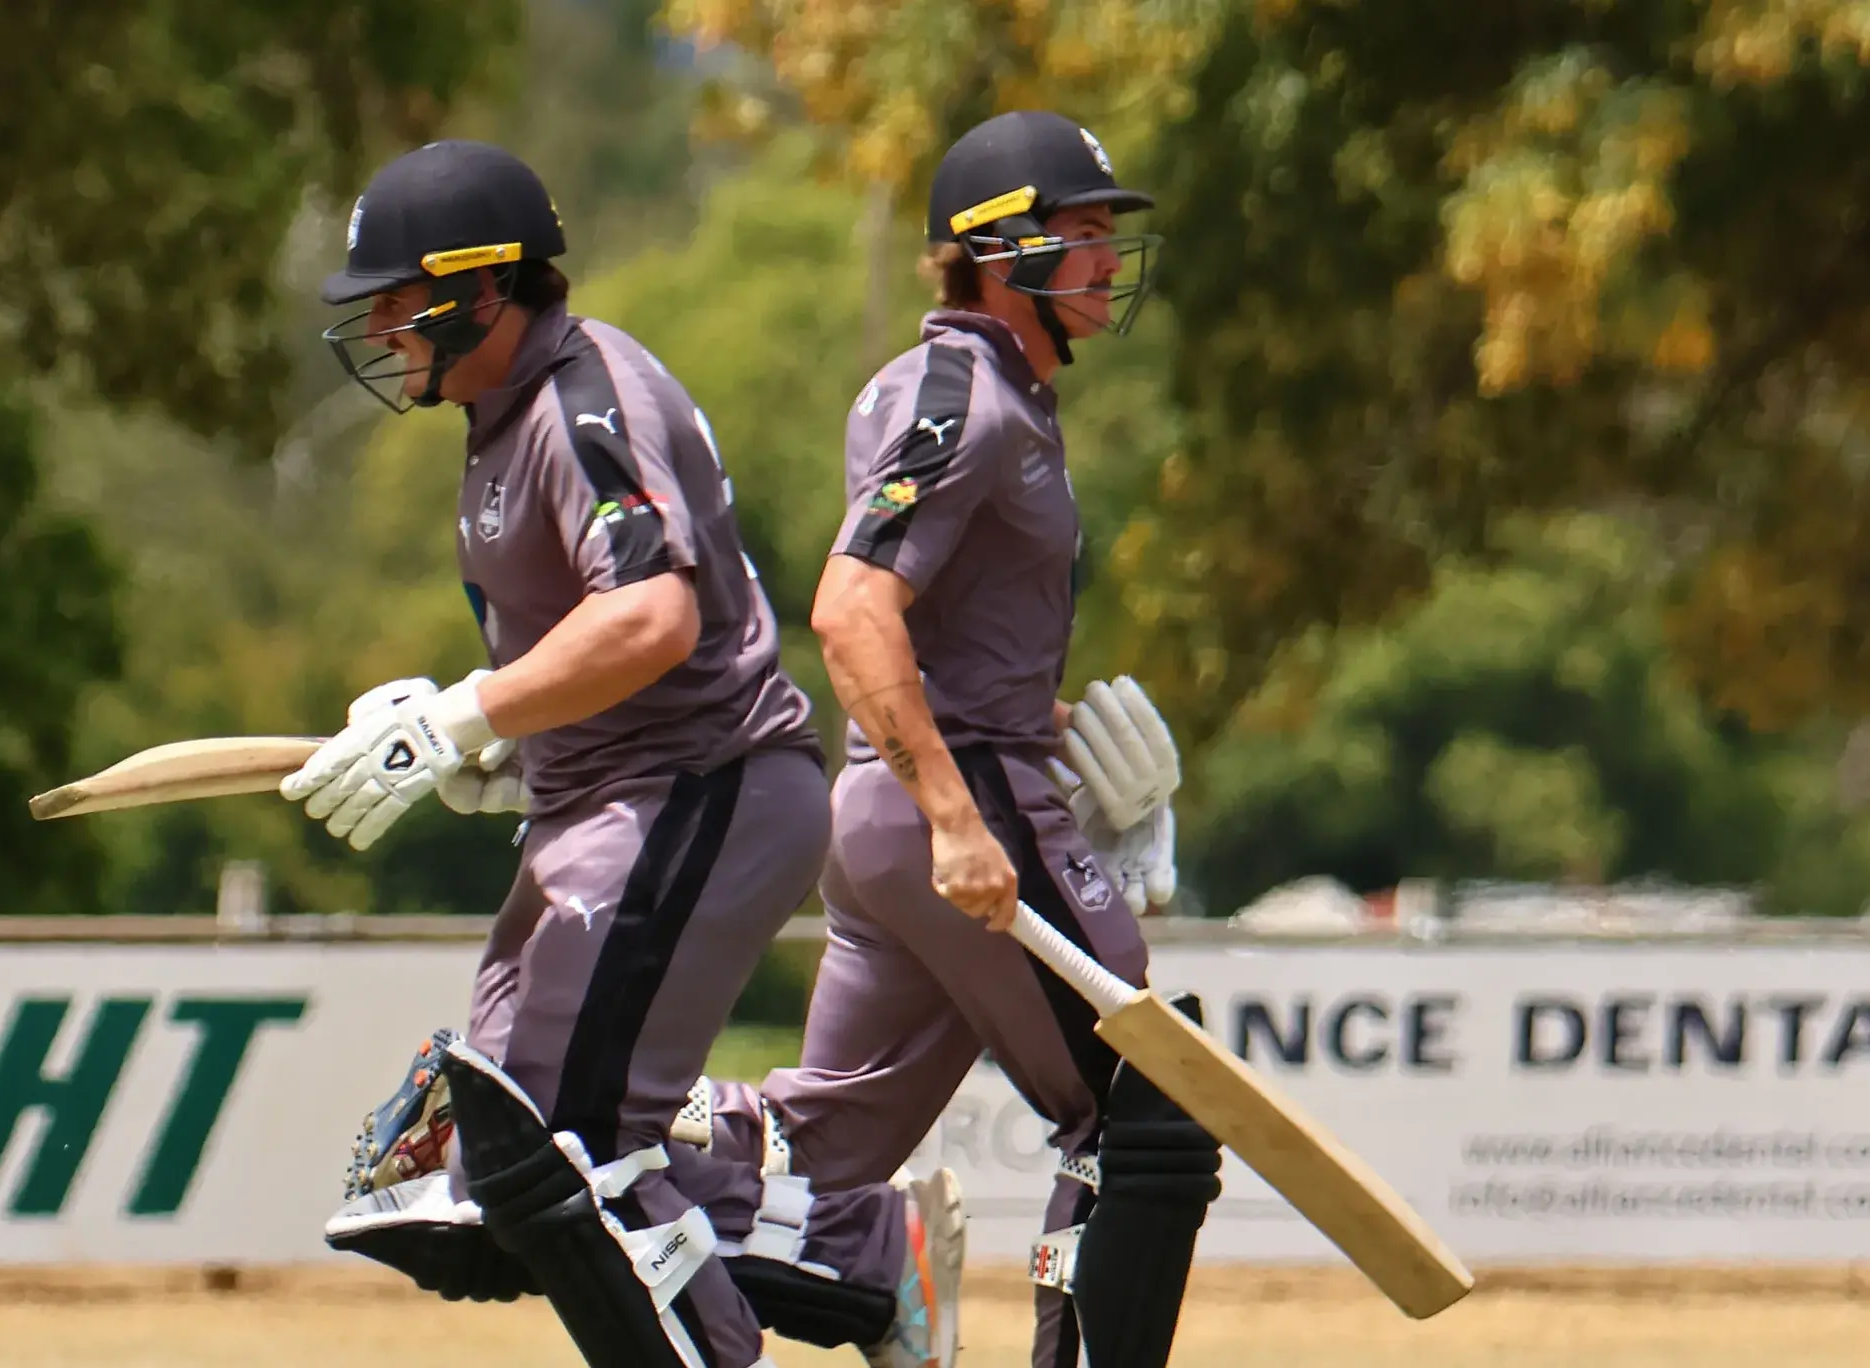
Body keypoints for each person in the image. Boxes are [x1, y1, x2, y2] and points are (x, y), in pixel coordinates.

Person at [290, 139, 963, 1368]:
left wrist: (467, 714)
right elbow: (582, 645)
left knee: (567, 1156)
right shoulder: (495, 420)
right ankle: (858, 1253)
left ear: (482, 289)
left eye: (399, 300)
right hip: (608, 803)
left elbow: (657, 617)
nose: (381, 329)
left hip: (697, 791)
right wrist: (509, 745)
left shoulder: (583, 398)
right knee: (509, 1171)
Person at [692, 109, 1216, 1368]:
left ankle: (627, 1160)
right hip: (948, 813)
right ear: (993, 252)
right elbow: (852, 607)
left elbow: (934, 647)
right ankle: (578, 1129)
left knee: (817, 1161)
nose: (1103, 259)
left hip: (911, 809)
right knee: (1150, 1108)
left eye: (1107, 235)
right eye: (1077, 235)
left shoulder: (1006, 400)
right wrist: (960, 814)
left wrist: (1063, 751)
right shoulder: (961, 394)